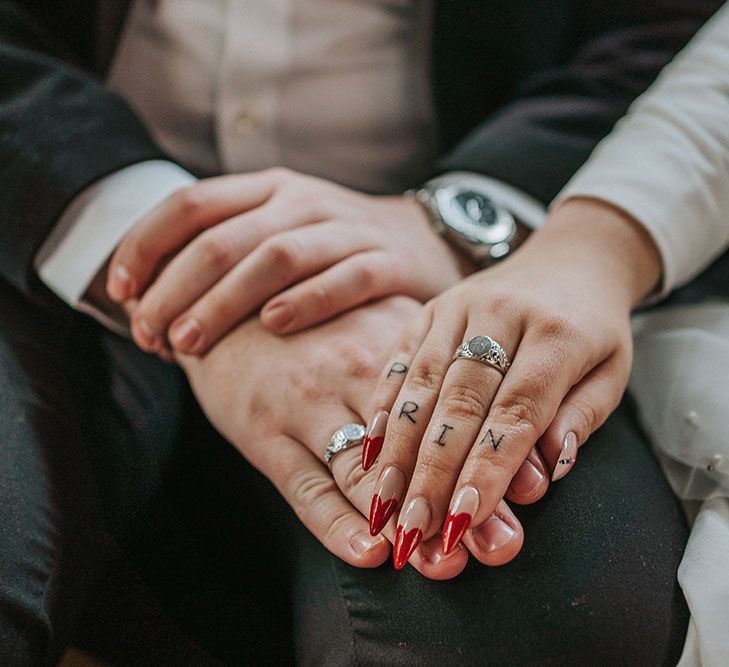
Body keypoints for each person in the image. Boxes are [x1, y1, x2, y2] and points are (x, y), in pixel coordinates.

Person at [0, 1, 722, 664]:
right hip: (48, 213)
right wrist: (185, 265)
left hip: (456, 253)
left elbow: (669, 27)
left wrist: (458, 225)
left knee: (532, 626)